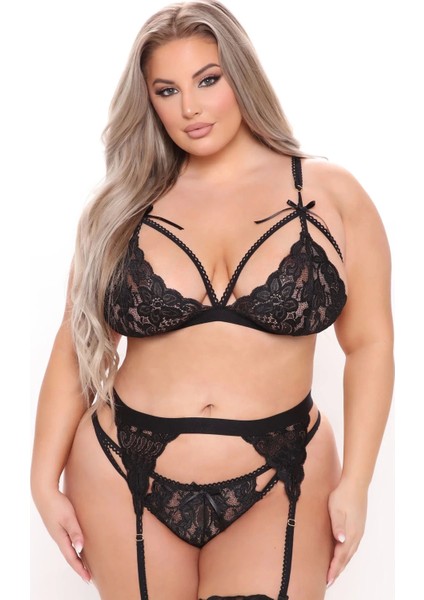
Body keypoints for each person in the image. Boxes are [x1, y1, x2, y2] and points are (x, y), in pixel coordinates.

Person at [30, 1, 394, 599]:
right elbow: (76, 345)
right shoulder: (121, 207)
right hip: (122, 467)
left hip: (284, 471)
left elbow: (371, 343)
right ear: (148, 101)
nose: (190, 108)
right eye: (166, 90)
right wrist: (42, 482)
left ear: (241, 76)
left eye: (207, 80)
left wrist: (357, 481)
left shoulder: (331, 193)